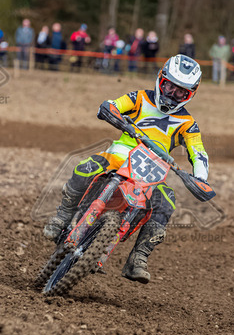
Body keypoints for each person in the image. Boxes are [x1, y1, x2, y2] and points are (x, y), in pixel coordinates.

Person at [43, 54, 209, 284]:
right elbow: (114, 105)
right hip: (119, 155)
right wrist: (111, 112)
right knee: (86, 167)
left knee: (167, 201)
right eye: (169, 86)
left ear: (190, 95)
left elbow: (198, 152)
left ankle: (138, 258)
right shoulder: (140, 98)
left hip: (153, 169)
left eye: (180, 92)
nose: (172, 94)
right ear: (160, 79)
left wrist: (201, 177)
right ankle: (62, 216)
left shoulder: (188, 124)